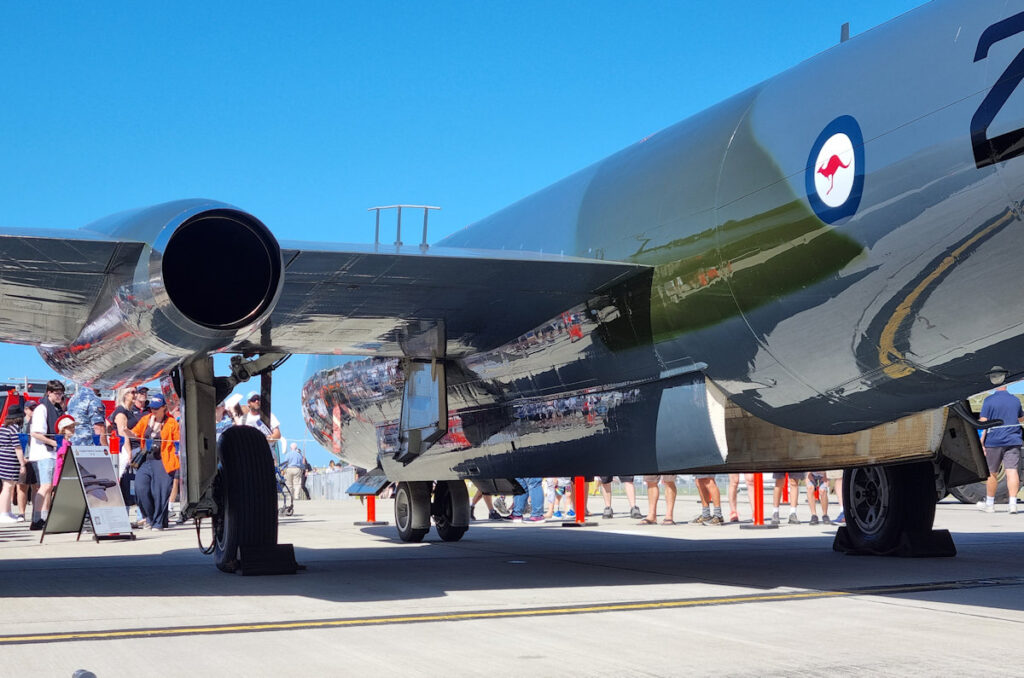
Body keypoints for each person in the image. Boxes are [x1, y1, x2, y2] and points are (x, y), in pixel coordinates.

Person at [130, 394, 180, 530]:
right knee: (140, 488)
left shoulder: (171, 423)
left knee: (160, 492)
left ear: (164, 408)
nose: (154, 411)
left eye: (157, 408)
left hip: (163, 460)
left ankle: (158, 522)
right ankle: (150, 518)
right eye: (152, 408)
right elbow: (135, 433)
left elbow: (178, 442)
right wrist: (126, 433)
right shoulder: (146, 419)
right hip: (146, 459)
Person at [979, 384, 1024, 513]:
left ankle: (990, 504)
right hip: (1013, 440)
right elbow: (1021, 418)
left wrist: (981, 442)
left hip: (994, 441)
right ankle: (1013, 504)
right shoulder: (1015, 400)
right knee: (1012, 471)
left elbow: (983, 422)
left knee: (992, 472)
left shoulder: (989, 400)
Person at [27, 380, 65, 530]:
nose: (60, 396)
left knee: (50, 487)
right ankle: (36, 519)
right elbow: (36, 433)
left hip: (52, 453)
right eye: (57, 393)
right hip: (44, 453)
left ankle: (44, 516)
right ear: (49, 392)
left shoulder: (56, 409)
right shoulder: (42, 409)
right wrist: (54, 443)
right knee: (45, 486)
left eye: (61, 393)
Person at [0, 398, 28, 522]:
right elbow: (17, 447)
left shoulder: (3, 427)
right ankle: (4, 513)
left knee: (7, 486)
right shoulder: (14, 429)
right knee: (8, 486)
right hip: (10, 460)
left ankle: (8, 512)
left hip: (3, 458)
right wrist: (22, 464)